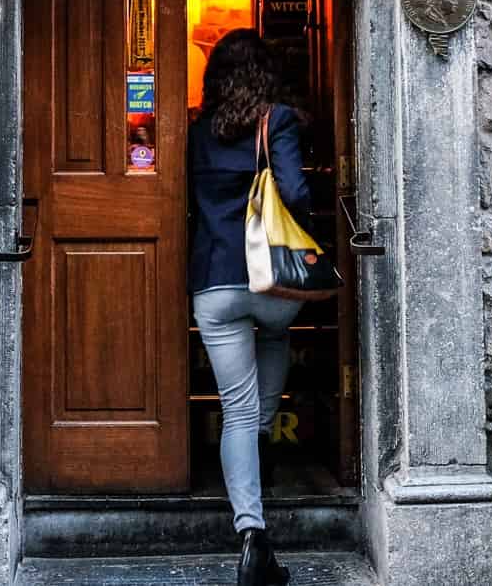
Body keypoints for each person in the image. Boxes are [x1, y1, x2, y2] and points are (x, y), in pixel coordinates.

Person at [188, 29, 310, 586]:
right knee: (267, 376)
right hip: (272, 287)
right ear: (266, 73)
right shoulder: (277, 121)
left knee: (233, 411)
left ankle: (252, 535)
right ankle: (267, 459)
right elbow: (296, 193)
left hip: (214, 281)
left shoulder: (196, 132)